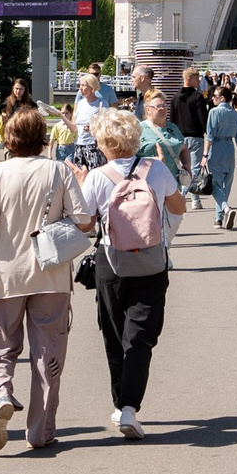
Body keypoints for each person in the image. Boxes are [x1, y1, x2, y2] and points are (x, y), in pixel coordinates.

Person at [0, 106, 91, 453]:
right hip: (50, 274)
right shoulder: (58, 171)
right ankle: (40, 430)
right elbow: (82, 219)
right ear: (42, 137)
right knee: (48, 353)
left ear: (9, 138)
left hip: (5, 275)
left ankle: (0, 390)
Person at [80, 108, 187, 440]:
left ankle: (118, 402)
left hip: (111, 265)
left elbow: (85, 224)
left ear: (104, 143)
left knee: (114, 335)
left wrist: (83, 184)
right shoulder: (154, 169)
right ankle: (129, 407)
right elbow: (178, 207)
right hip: (152, 264)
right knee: (140, 338)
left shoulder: (98, 176)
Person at [203, 89, 237, 230]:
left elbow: (209, 136)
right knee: (226, 185)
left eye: (215, 96)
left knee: (215, 185)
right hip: (230, 149)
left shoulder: (214, 112)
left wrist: (204, 155)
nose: (212, 98)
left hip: (216, 148)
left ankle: (225, 210)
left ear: (222, 98)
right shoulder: (235, 114)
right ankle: (219, 217)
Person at [136, 93, 191, 200]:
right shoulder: (139, 129)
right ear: (148, 110)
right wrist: (152, 161)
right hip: (148, 185)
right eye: (158, 106)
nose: (163, 109)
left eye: (165, 106)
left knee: (173, 216)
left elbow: (183, 148)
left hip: (172, 186)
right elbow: (129, 156)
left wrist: (187, 166)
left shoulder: (173, 127)